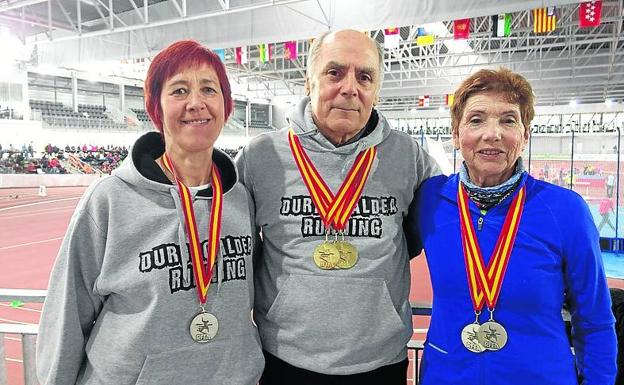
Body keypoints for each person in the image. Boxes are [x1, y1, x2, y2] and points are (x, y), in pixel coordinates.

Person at [36, 40, 264, 385]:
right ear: (156, 107)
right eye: (179, 90)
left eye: (208, 89)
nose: (196, 103)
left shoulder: (240, 199)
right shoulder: (109, 200)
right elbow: (67, 313)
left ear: (225, 104)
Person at [235, 29, 439, 384]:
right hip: (285, 359)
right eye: (335, 72)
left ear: (376, 89)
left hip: (380, 364)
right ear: (308, 82)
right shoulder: (260, 157)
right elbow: (239, 246)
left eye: (364, 76)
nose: (350, 87)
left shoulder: (410, 158)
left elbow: (424, 235)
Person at [410, 68, 617, 385]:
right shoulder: (431, 200)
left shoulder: (566, 211)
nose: (492, 133)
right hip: (447, 376)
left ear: (525, 134)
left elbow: (595, 320)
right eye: (476, 119)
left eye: (508, 120)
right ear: (456, 134)